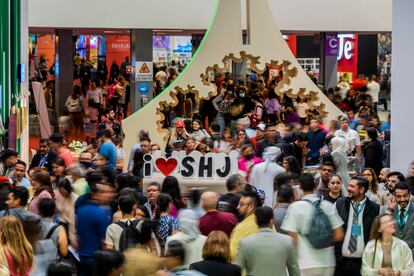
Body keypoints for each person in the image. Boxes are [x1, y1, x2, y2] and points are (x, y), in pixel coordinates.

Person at [282, 174, 344, 276]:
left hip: (304, 262)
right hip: (327, 262)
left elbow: (293, 239)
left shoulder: (295, 207)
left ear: (300, 187)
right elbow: (339, 234)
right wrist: (322, 237)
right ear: (315, 186)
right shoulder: (327, 205)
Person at [334, 176, 380, 276]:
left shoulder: (375, 209)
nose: (348, 188)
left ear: (362, 189)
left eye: (352, 186)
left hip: (363, 262)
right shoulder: (339, 204)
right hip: (341, 261)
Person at [237, 206, 300, 276]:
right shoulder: (287, 241)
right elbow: (294, 270)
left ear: (256, 221)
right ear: (271, 221)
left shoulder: (245, 242)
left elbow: (237, 269)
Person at [76, 181, 115, 275]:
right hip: (98, 258)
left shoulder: (80, 209)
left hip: (82, 256)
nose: (109, 195)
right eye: (104, 192)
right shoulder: (102, 213)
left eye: (110, 192)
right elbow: (104, 240)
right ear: (94, 194)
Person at [229, 189, 262, 261]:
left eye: (241, 204)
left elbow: (233, 253)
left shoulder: (241, 227)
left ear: (250, 207)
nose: (237, 207)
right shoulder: (266, 222)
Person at [385, 183, 414, 255]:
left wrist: (409, 255)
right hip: (390, 257)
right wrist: (390, 211)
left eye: (405, 196)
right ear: (394, 195)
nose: (402, 199)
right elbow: (381, 231)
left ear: (409, 194)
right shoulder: (387, 210)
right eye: (398, 196)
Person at [55, 178, 78, 247]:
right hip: (62, 224)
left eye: (62, 191)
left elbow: (73, 220)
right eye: (60, 191)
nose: (61, 193)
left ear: (68, 189)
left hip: (71, 226)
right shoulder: (62, 197)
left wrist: (72, 236)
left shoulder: (75, 199)